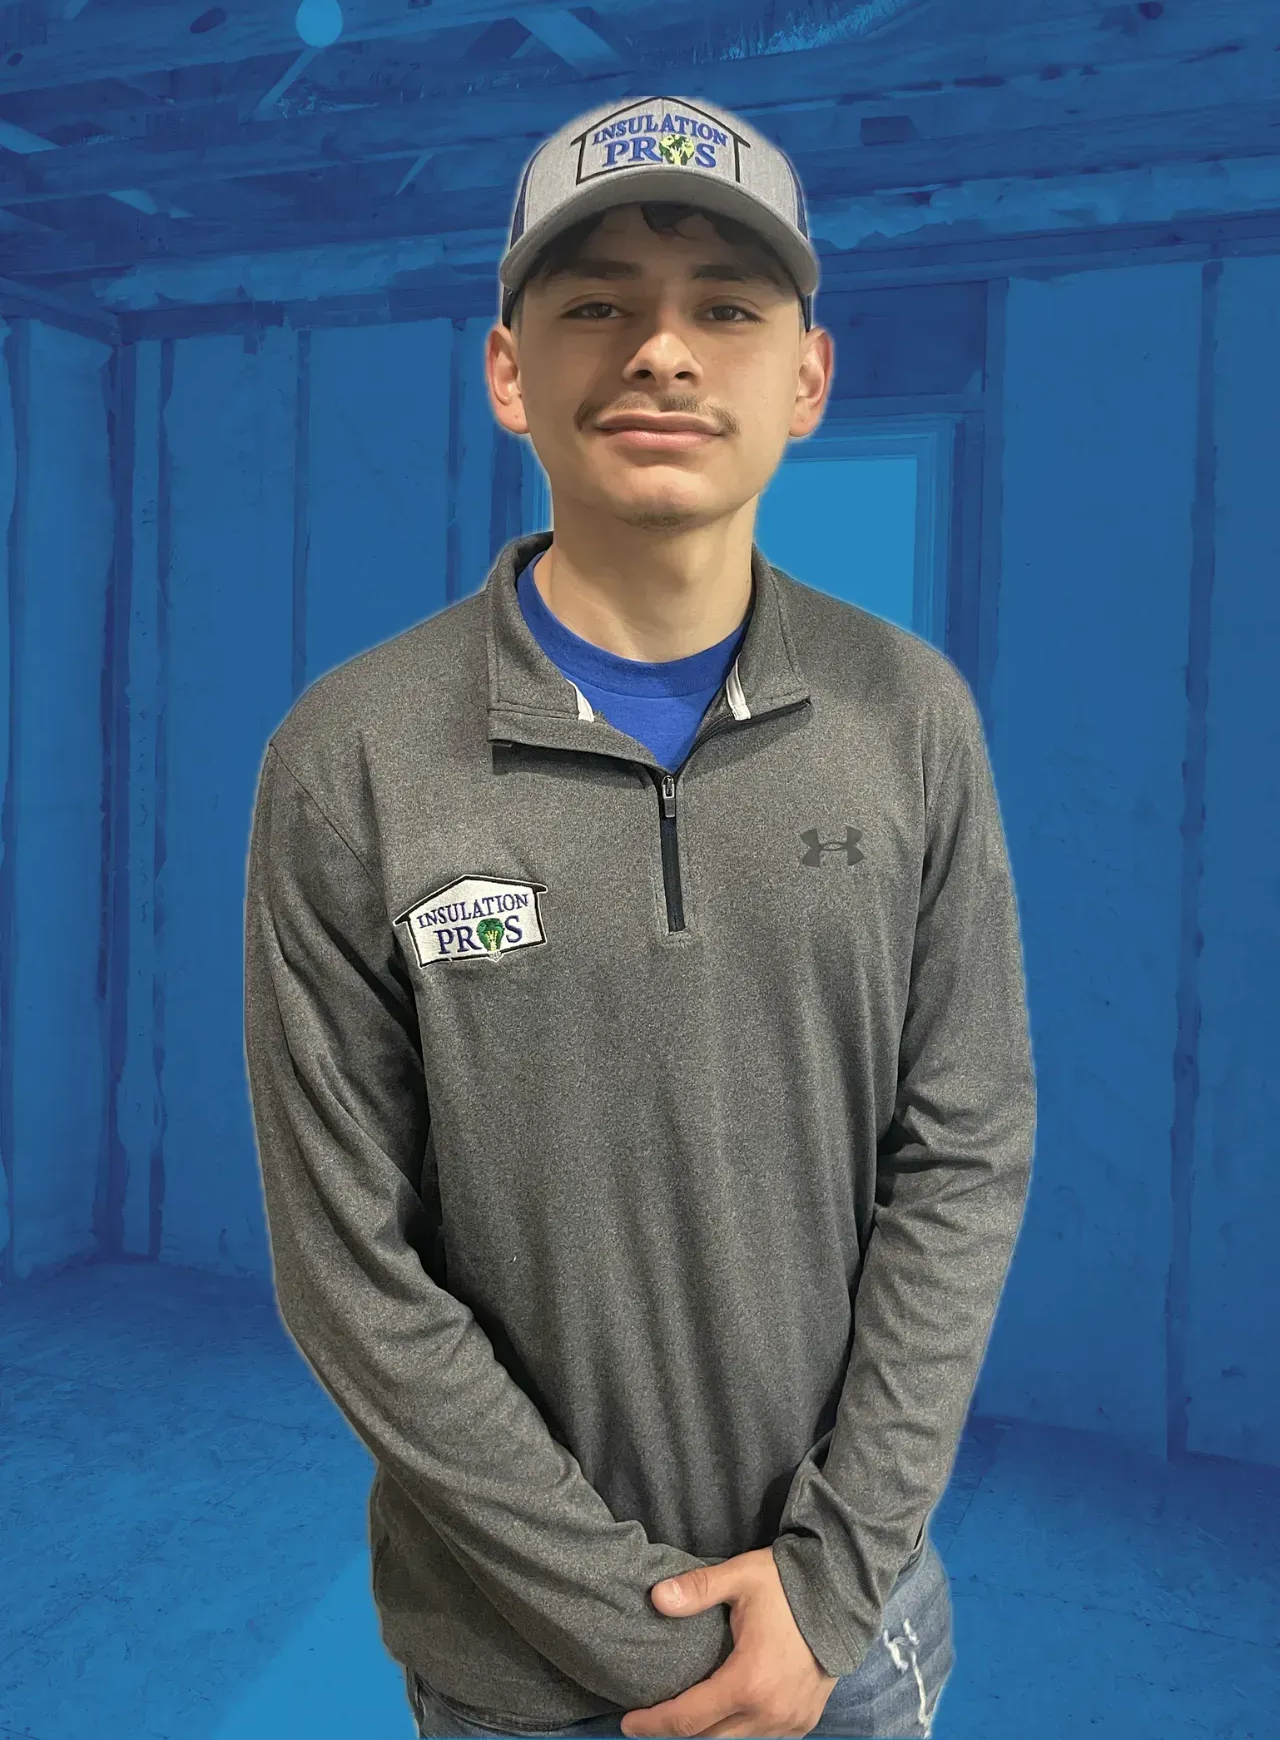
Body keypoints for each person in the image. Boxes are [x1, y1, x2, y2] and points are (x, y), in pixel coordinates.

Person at [243, 94, 1037, 1739]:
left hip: (849, 1643)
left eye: (726, 308)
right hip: (522, 1680)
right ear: (508, 371)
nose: (662, 351)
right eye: (597, 302)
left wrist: (825, 1593)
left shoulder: (911, 719)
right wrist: (658, 1647)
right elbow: (349, 1273)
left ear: (807, 379)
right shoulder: (355, 753)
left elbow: (963, 1156)